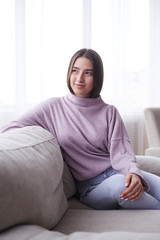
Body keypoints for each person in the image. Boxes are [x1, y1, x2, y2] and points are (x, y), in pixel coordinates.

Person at [1, 48, 160, 210]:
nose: (79, 79)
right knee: (122, 186)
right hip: (91, 187)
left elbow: (122, 151)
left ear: (97, 77)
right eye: (75, 71)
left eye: (88, 73)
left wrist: (133, 172)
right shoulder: (52, 108)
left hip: (117, 172)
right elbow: (11, 128)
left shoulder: (109, 111)